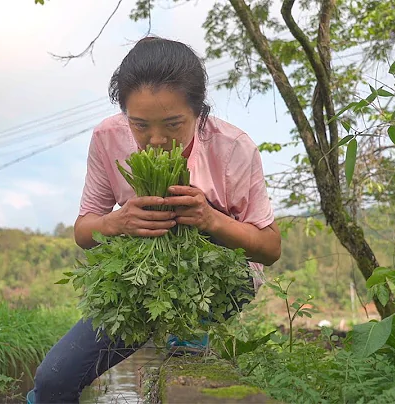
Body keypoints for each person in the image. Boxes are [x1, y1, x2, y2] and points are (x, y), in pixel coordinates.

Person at [28, 36, 281, 404]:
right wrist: (118, 222)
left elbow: (270, 247)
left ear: (199, 113)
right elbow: (84, 231)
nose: (157, 140)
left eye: (174, 124)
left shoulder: (233, 148)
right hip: (137, 287)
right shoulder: (107, 137)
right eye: (140, 125)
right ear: (125, 116)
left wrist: (211, 219)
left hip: (218, 285)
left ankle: (192, 334)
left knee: (188, 362)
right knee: (53, 381)